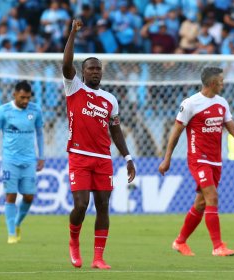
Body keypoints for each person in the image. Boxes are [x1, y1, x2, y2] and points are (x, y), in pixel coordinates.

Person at [158, 67, 234, 257]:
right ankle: (217, 246)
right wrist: (167, 158)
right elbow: (176, 132)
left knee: (201, 203)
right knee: (212, 197)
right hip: (198, 158)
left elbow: (232, 127)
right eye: (221, 81)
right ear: (212, 83)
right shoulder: (190, 104)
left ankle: (179, 242)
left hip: (215, 161)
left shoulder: (222, 103)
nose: (223, 83)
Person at [62, 19, 136, 270]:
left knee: (103, 205)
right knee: (81, 205)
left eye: (98, 69)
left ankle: (98, 257)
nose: (95, 72)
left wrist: (127, 158)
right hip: (79, 156)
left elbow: (116, 131)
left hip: (103, 159)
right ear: (83, 72)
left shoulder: (110, 100)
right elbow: (66, 63)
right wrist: (73, 33)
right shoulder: (74, 88)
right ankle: (73, 241)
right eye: (91, 68)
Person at [0, 81, 45, 244]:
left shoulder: (35, 110)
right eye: (22, 97)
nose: (26, 101)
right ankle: (11, 233)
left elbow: (40, 135)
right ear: (14, 95)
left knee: (29, 196)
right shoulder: (3, 111)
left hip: (29, 160)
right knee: (11, 195)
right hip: (10, 160)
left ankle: (17, 223)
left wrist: (42, 156)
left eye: (28, 97)